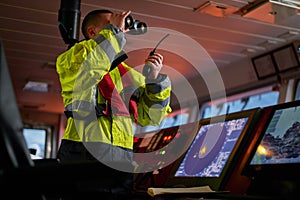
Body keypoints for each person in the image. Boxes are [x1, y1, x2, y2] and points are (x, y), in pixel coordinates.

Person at [55, 9, 172, 198]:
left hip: (121, 156)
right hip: (84, 150)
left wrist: (154, 81)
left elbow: (151, 118)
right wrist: (114, 32)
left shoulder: (126, 74)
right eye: (112, 24)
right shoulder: (73, 57)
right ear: (93, 32)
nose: (121, 27)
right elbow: (91, 68)